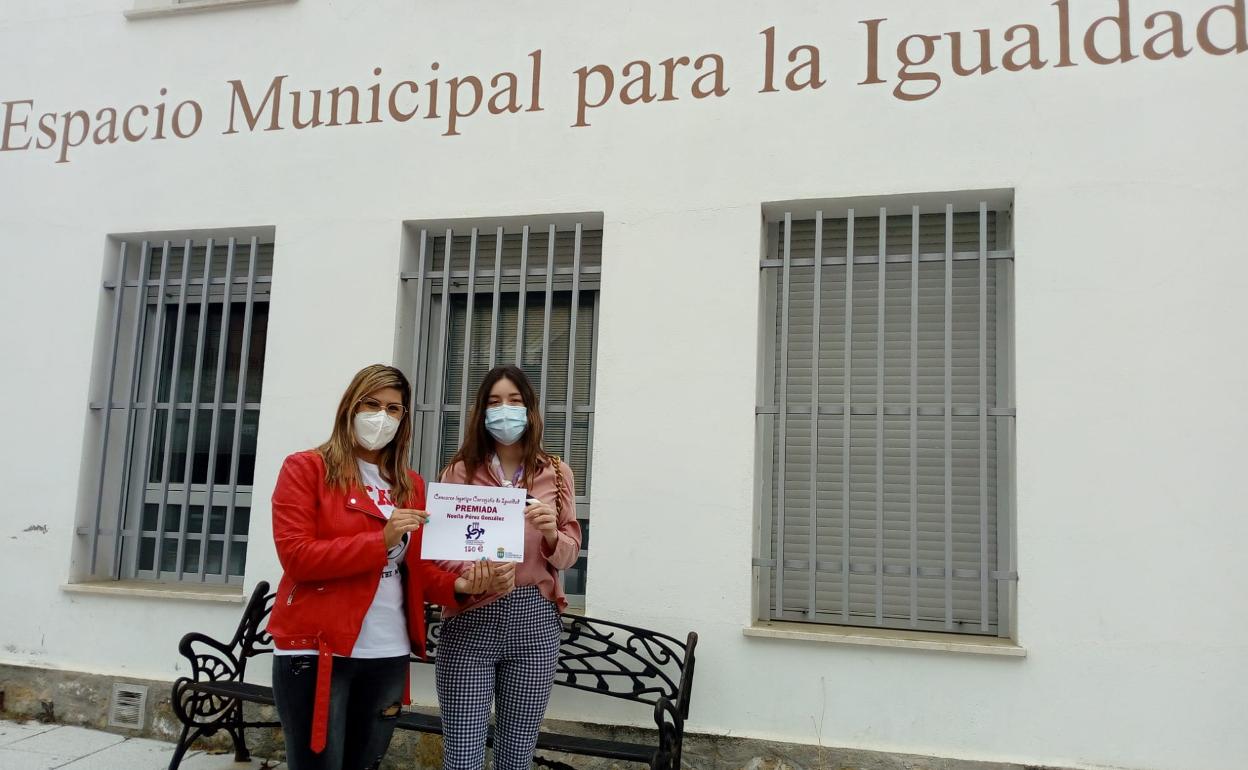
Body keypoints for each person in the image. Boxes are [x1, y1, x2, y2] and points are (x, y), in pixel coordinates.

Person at [267, 364, 500, 770]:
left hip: (388, 651)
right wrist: (381, 539)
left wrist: (463, 584)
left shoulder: (409, 484)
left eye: (394, 409)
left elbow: (419, 572)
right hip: (319, 650)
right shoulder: (306, 469)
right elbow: (298, 558)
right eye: (371, 404)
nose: (382, 416)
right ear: (349, 408)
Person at [434, 364, 582, 770]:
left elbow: (570, 553)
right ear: (482, 413)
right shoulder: (459, 472)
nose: (505, 411)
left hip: (533, 621)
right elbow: (441, 549)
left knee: (516, 759)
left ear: (530, 411)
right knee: (462, 757)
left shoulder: (557, 473)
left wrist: (553, 535)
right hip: (470, 619)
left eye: (514, 402)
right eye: (495, 402)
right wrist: (470, 575)